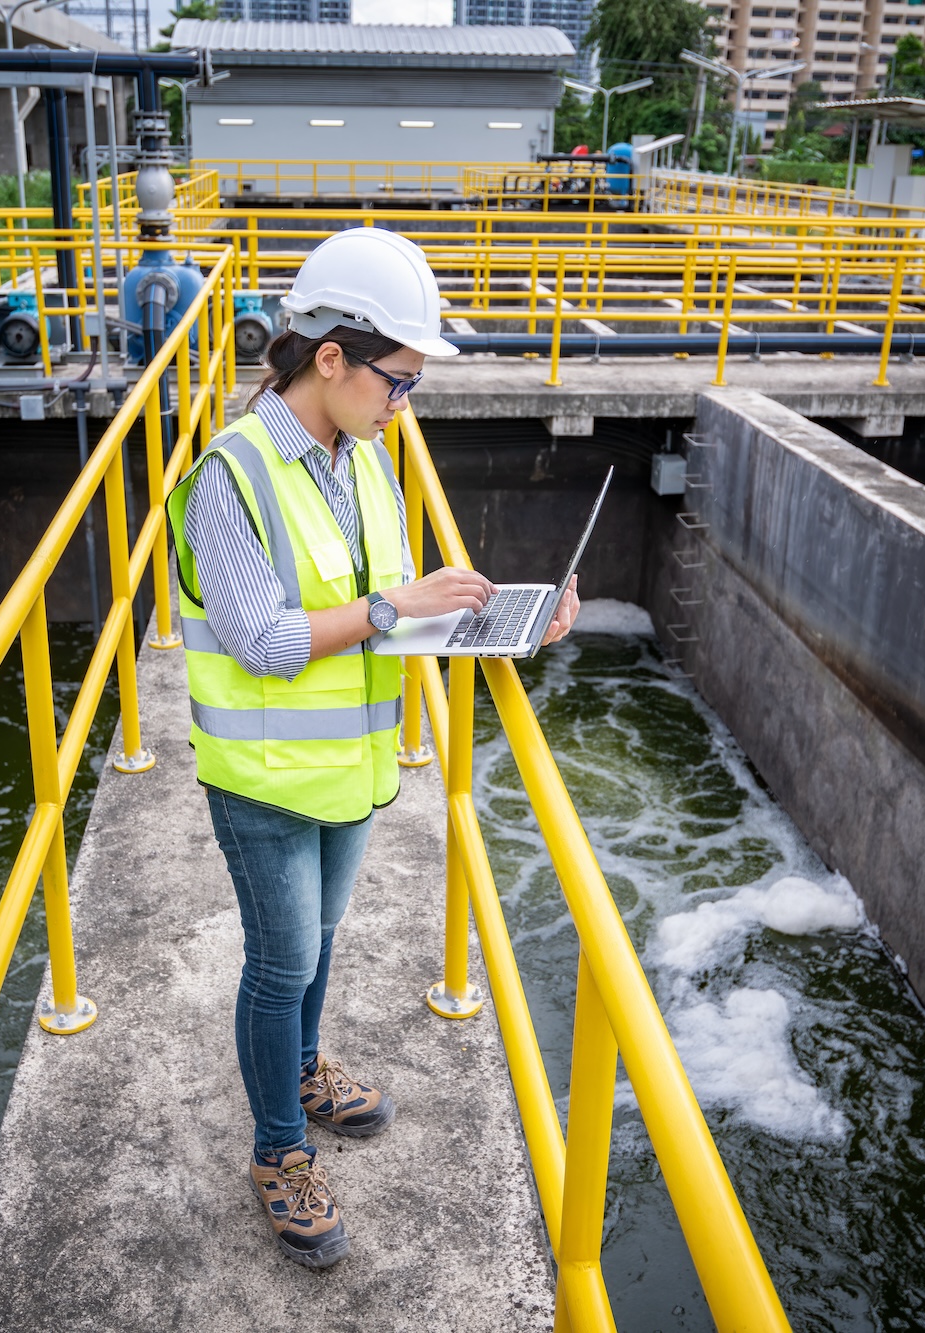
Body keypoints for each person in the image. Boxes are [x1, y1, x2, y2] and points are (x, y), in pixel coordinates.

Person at [167, 227, 580, 1268]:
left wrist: (510, 619)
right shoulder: (234, 474)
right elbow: (265, 641)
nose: (407, 404)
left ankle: (302, 1066)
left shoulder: (363, 463)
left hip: (349, 766)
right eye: (398, 380)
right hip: (262, 776)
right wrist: (396, 606)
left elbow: (393, 612)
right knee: (281, 959)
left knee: (321, 939)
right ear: (331, 359)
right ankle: (277, 1150)